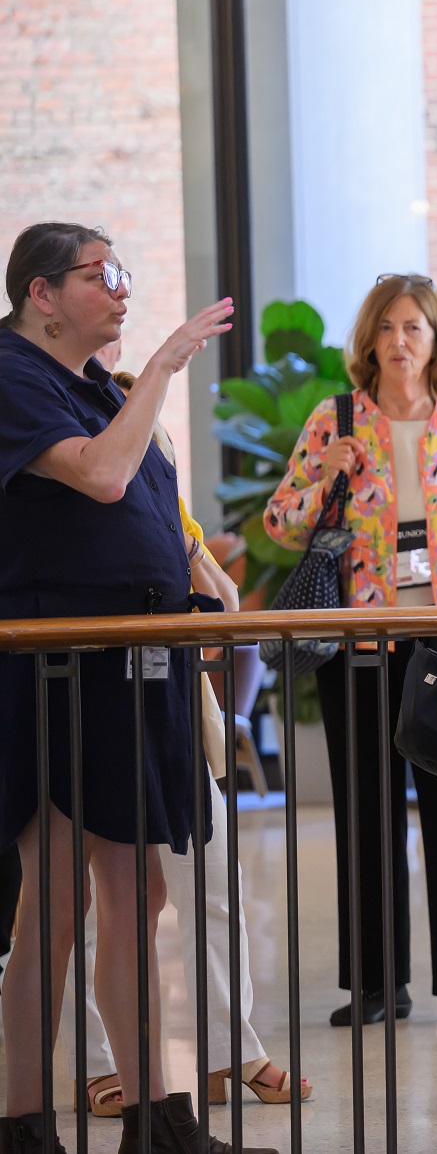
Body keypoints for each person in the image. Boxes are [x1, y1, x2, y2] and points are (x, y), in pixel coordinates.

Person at [0, 222, 272, 1154]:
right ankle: (28, 1119)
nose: (122, 288)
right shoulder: (12, 375)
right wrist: (160, 365)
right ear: (40, 293)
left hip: (134, 663)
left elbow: (155, 506)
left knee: (139, 890)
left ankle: (159, 1118)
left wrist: (202, 578)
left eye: (124, 272)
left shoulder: (93, 387)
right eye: (101, 273)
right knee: (56, 901)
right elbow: (105, 477)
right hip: (66, 670)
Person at [264, 273, 437, 1029]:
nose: (400, 342)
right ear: (369, 340)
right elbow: (280, 521)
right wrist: (321, 483)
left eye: (415, 328)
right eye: (387, 328)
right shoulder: (334, 421)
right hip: (358, 642)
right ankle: (374, 984)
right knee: (365, 805)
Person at [78, 390, 309, 1118]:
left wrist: (183, 548)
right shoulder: (63, 495)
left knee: (212, 878)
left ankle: (230, 1052)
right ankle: (96, 1064)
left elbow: (226, 603)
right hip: (85, 704)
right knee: (94, 901)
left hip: (172, 706)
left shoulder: (166, 505)